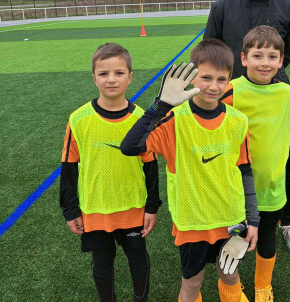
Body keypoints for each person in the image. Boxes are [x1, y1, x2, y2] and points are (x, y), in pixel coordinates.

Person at [121, 39, 259, 302]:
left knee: (229, 274)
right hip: (192, 222)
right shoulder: (174, 120)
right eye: (206, 77)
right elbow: (130, 146)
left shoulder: (238, 120)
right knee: (192, 283)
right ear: (192, 77)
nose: (214, 86)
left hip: (231, 218)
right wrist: (161, 105)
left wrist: (253, 219)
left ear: (229, 80)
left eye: (221, 79)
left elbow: (244, 169)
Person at [203, 0, 290, 255]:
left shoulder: (288, 6)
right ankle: (228, 219)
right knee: (229, 160)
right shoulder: (222, 7)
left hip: (274, 95)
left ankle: (285, 220)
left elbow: (287, 52)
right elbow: (211, 52)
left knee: (279, 161)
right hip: (232, 99)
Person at [220, 25, 290, 301]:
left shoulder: (289, 94)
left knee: (266, 242)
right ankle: (232, 288)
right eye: (257, 55)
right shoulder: (230, 91)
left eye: (272, 56)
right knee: (232, 243)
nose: (265, 63)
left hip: (273, 187)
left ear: (281, 61)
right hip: (234, 189)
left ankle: (263, 286)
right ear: (243, 58)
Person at [60, 42, 161, 302]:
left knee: (138, 259)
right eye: (103, 73)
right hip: (95, 209)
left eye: (119, 73)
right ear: (94, 78)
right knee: (102, 263)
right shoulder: (79, 119)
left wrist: (152, 207)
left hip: (133, 207)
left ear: (130, 77)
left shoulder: (141, 119)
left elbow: (150, 166)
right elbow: (69, 167)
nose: (111, 79)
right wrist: (70, 210)